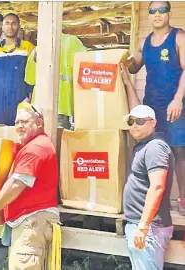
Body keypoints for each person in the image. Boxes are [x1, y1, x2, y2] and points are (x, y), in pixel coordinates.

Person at [0, 102, 60, 270]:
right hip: (34, 224)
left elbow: (17, 184)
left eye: (24, 122)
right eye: (17, 123)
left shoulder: (35, 148)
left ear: (39, 123)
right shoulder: (37, 145)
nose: (19, 126)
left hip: (30, 224)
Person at [128, 1, 185, 215]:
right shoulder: (145, 43)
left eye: (162, 10)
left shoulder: (179, 37)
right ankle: (154, 199)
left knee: (179, 150)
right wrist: (122, 60)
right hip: (151, 106)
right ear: (149, 16)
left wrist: (178, 99)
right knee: (152, 151)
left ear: (169, 14)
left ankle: (182, 200)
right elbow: (134, 66)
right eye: (152, 11)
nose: (157, 14)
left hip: (175, 105)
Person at [122, 104, 174, 270]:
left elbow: (157, 186)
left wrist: (143, 226)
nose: (134, 125)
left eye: (140, 121)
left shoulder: (155, 147)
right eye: (131, 121)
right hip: (141, 226)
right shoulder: (144, 146)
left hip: (148, 228)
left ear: (153, 123)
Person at [24, 34, 87, 130]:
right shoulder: (71, 42)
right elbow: (86, 69)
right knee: (60, 141)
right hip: (63, 107)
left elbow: (30, 80)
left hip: (39, 107)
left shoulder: (36, 49)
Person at [0, 13, 35, 125]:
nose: (10, 27)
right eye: (7, 23)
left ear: (19, 26)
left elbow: (33, 79)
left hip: (20, 105)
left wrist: (29, 101)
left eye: (14, 23)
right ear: (2, 26)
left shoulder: (28, 48)